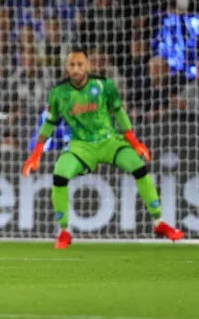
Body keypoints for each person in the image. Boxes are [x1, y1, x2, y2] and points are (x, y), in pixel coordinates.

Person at [23, 47, 184, 249]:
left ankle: (159, 222)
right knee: (59, 175)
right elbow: (49, 123)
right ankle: (64, 231)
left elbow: (119, 112)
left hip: (109, 141)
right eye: (72, 64)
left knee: (138, 166)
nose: (76, 68)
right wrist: (36, 153)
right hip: (81, 146)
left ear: (87, 66)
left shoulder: (104, 85)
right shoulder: (58, 93)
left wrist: (134, 142)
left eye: (80, 64)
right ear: (66, 67)